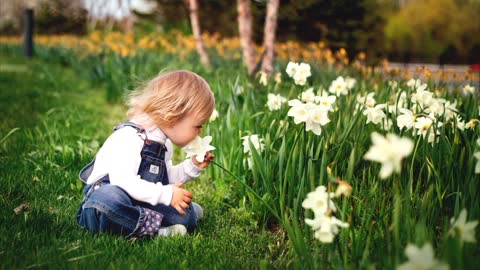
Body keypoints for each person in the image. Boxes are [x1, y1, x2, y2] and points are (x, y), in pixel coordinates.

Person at [77, 70, 215, 238]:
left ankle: (178, 215)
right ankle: (157, 231)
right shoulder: (130, 137)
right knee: (108, 202)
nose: (200, 132)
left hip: (139, 200)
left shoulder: (165, 144)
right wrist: (166, 194)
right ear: (172, 116)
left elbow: (165, 178)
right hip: (108, 198)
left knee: (185, 215)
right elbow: (123, 181)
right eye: (198, 125)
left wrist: (192, 166)